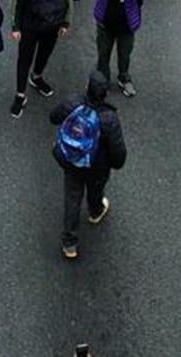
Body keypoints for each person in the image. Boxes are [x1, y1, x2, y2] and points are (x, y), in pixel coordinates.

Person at [49, 72, 127, 261]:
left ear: (87, 87)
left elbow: (54, 117)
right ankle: (95, 211)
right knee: (95, 189)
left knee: (72, 197)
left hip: (72, 161)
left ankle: (69, 243)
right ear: (105, 94)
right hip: (97, 166)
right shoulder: (109, 117)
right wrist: (115, 163)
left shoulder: (73, 103)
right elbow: (117, 151)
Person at [9, 0, 69, 118]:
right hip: (29, 24)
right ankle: (20, 94)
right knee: (24, 58)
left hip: (52, 24)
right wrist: (15, 27)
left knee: (45, 52)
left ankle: (36, 76)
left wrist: (65, 22)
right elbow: (15, 2)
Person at [84, 0, 148, 98]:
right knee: (103, 54)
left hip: (126, 27)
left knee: (124, 54)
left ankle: (124, 77)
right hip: (105, 24)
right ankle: (102, 80)